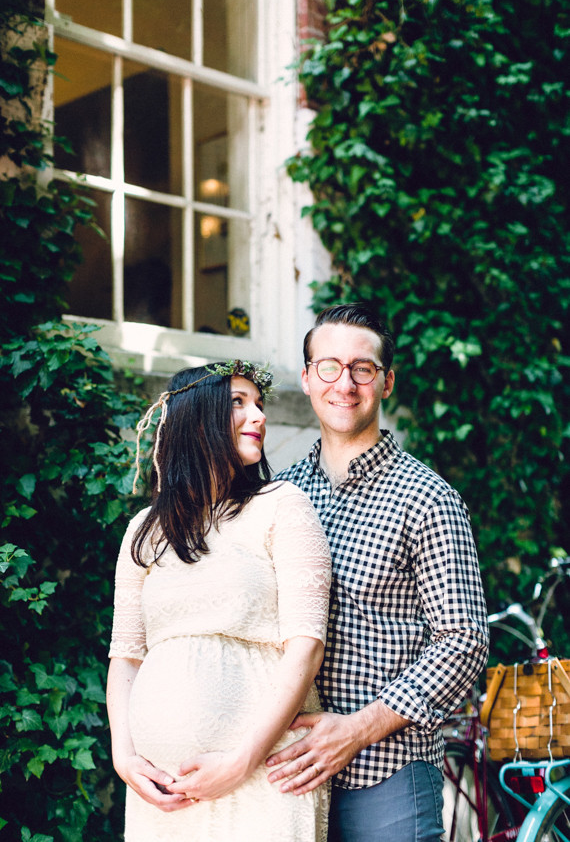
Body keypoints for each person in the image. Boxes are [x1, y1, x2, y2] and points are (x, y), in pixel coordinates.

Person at [266, 305, 489, 842]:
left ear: (386, 382)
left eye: (363, 369)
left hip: (386, 775)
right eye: (329, 367)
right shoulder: (281, 494)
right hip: (291, 773)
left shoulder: (427, 497)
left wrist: (356, 730)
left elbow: (464, 642)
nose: (345, 383)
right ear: (306, 377)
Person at [107, 360, 332, 842]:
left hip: (263, 774)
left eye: (260, 403)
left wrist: (240, 761)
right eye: (238, 402)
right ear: (195, 416)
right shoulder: (143, 532)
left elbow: (307, 646)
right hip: (163, 792)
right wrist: (125, 759)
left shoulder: (282, 506)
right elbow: (125, 658)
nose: (259, 416)